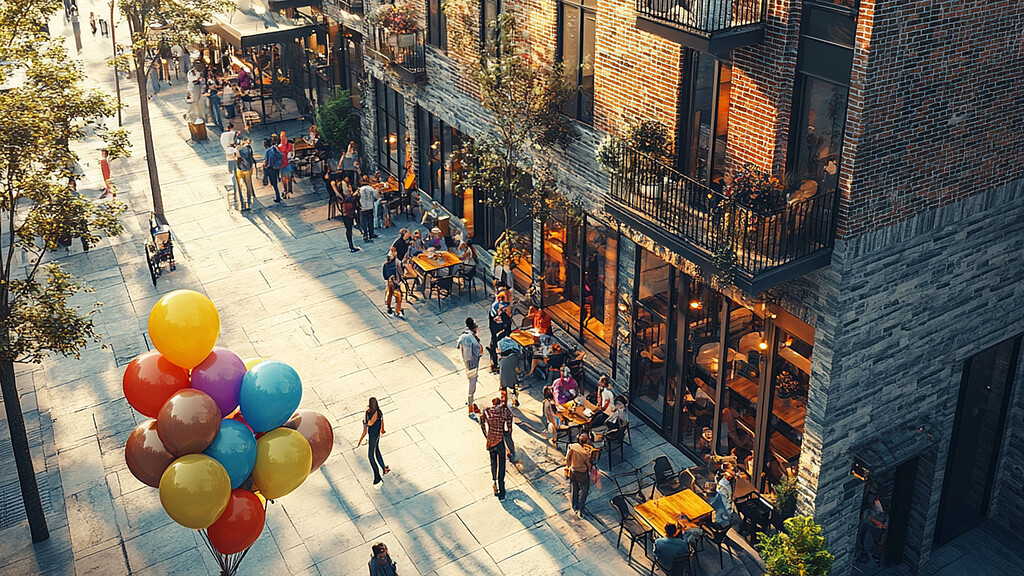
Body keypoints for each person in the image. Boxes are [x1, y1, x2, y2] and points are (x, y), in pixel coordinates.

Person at [480, 396, 512, 500]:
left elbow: (481, 422)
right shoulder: (504, 412)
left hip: (490, 441)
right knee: (501, 464)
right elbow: (510, 419)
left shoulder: (487, 411)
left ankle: (494, 482)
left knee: (493, 462)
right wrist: (508, 431)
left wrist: (486, 435)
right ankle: (501, 489)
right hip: (499, 441)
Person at [356, 397, 390, 485]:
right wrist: (382, 430)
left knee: (371, 456)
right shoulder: (377, 412)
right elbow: (381, 423)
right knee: (377, 451)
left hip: (373, 436)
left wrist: (366, 423)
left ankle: (377, 475)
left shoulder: (374, 413)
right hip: (375, 435)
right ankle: (383, 468)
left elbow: (370, 423)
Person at [457, 318, 483, 418]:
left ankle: (470, 402)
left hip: (470, 364)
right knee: (472, 388)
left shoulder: (465, 336)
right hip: (472, 366)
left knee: (472, 386)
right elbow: (471, 355)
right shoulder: (470, 339)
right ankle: (470, 409)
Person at [565, 433, 592, 518]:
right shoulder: (585, 453)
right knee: (584, 489)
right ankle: (581, 508)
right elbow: (588, 464)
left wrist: (569, 467)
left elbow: (567, 458)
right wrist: (590, 473)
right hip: (581, 472)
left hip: (572, 470)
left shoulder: (572, 446)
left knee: (574, 486)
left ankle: (574, 505)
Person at [487, 291, 512, 373]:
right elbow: (505, 321)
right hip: (498, 329)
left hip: (497, 329)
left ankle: (494, 362)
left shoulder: (496, 304)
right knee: (498, 345)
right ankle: (497, 363)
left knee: (494, 344)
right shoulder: (502, 308)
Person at [335, 178, 360, 252]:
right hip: (347, 214)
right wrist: (355, 193)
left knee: (349, 229)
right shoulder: (345, 199)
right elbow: (351, 198)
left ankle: (351, 245)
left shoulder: (342, 198)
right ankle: (351, 246)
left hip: (348, 213)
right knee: (349, 229)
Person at [497, 336, 522, 407]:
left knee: (503, 387)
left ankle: (504, 403)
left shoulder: (502, 360)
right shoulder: (514, 355)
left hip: (503, 375)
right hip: (512, 373)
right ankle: (514, 399)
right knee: (513, 386)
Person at [382, 247, 405, 318]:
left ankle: (390, 307)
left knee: (390, 294)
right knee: (398, 296)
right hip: (393, 282)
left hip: (393, 282)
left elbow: (385, 274)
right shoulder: (395, 263)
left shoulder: (395, 263)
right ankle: (397, 310)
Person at [235, 138, 256, 211]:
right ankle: (249, 201)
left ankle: (242, 202)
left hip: (240, 169)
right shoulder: (248, 149)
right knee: (248, 185)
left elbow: (237, 158)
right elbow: (251, 158)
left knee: (240, 185)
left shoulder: (238, 149)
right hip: (248, 169)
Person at [263, 135, 284, 203]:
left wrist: (268, 165)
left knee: (274, 184)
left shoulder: (270, 151)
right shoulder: (273, 149)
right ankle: (277, 196)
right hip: (275, 168)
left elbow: (270, 159)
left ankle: (278, 197)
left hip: (271, 169)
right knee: (275, 183)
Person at [357, 176, 378, 241]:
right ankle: (371, 234)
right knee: (370, 221)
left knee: (363, 222)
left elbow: (356, 197)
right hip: (370, 207)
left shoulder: (359, 190)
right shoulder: (371, 189)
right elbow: (376, 197)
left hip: (362, 208)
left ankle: (365, 234)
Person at [220, 123, 239, 192]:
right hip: (233, 160)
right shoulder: (231, 135)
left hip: (230, 159)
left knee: (232, 172)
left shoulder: (223, 135)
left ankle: (235, 184)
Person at [278, 131, 295, 198]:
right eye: (281, 136)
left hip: (287, 163)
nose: (282, 138)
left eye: (283, 136)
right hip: (282, 164)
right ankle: (286, 190)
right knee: (284, 178)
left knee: (289, 177)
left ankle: (289, 189)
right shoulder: (279, 146)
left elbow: (290, 153)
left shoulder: (289, 145)